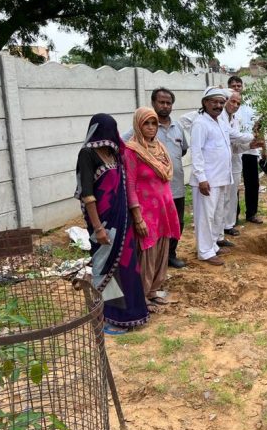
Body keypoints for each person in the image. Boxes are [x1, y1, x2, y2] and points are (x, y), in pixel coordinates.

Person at [75, 114, 150, 332]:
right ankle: (109, 316)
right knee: (105, 268)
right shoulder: (87, 155)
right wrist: (98, 228)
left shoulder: (116, 155)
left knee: (127, 268)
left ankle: (132, 313)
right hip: (104, 224)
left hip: (123, 222)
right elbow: (87, 195)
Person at [190, 87, 263, 265]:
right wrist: (201, 178)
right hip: (207, 180)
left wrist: (252, 139)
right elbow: (196, 152)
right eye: (214, 102)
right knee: (205, 216)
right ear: (205, 103)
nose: (218, 105)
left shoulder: (221, 123)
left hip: (221, 178)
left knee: (216, 214)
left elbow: (236, 138)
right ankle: (204, 251)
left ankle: (213, 245)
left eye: (221, 102)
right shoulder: (200, 123)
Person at [123, 87, 188, 269]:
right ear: (153, 103)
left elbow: (183, 150)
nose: (165, 106)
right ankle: (151, 267)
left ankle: (169, 255)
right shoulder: (140, 128)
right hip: (148, 195)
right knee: (153, 229)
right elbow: (126, 147)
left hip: (173, 187)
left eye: (168, 103)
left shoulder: (178, 128)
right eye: (161, 102)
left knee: (175, 224)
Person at [123, 107, 181, 310]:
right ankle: (141, 294)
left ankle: (154, 290)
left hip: (163, 209)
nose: (150, 127)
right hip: (145, 211)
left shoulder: (160, 148)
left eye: (154, 123)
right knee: (147, 251)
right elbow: (130, 185)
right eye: (146, 123)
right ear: (138, 125)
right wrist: (137, 216)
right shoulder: (131, 151)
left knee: (162, 249)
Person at [228, 76, 263, 224]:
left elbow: (258, 125)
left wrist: (262, 146)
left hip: (250, 149)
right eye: (233, 85)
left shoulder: (250, 105)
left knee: (252, 183)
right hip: (233, 150)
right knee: (233, 183)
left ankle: (251, 213)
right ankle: (233, 216)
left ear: (243, 87)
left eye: (239, 85)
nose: (236, 87)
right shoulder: (226, 105)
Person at [221, 90, 245, 237]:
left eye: (238, 103)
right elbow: (231, 134)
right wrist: (250, 137)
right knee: (222, 196)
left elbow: (235, 144)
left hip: (235, 160)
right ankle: (220, 227)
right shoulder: (219, 117)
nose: (235, 105)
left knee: (232, 194)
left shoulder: (235, 118)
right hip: (221, 163)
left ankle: (229, 225)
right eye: (232, 101)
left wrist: (251, 145)